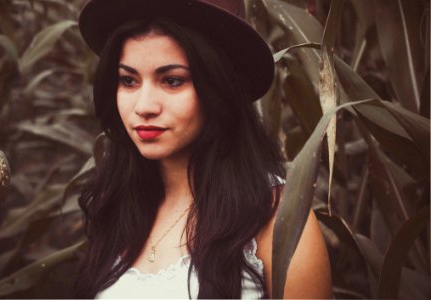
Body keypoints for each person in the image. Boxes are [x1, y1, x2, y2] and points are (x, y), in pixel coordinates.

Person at [75, 0, 332, 298]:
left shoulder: (278, 219)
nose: (144, 106)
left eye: (172, 81)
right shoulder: (117, 203)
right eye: (128, 80)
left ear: (217, 84)